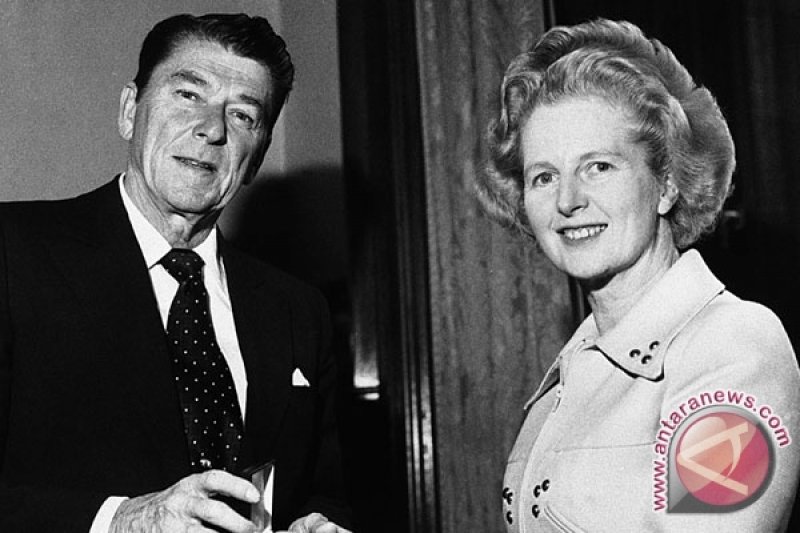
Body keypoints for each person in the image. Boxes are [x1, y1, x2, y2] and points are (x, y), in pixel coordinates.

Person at [0, 13, 351, 533]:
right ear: (129, 111)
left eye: (243, 116)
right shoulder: (14, 254)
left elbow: (325, 491)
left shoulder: (299, 311)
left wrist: (320, 524)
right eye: (188, 94)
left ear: (256, 158)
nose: (212, 128)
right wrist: (122, 521)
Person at [478, 19, 800, 532]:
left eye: (598, 167)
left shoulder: (732, 344)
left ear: (666, 185)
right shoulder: (571, 372)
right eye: (544, 176)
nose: (568, 200)